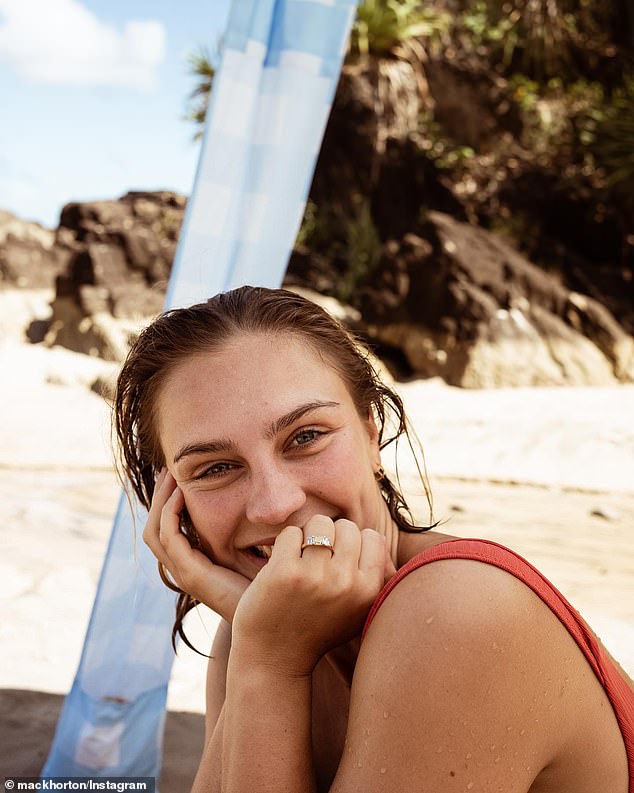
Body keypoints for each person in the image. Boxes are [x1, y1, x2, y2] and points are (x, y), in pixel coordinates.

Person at [114, 286, 633, 793]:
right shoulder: (263, 625)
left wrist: (269, 665)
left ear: (371, 431)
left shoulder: (457, 609)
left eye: (306, 437)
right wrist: (263, 655)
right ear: (173, 499)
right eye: (216, 468)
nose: (274, 504)